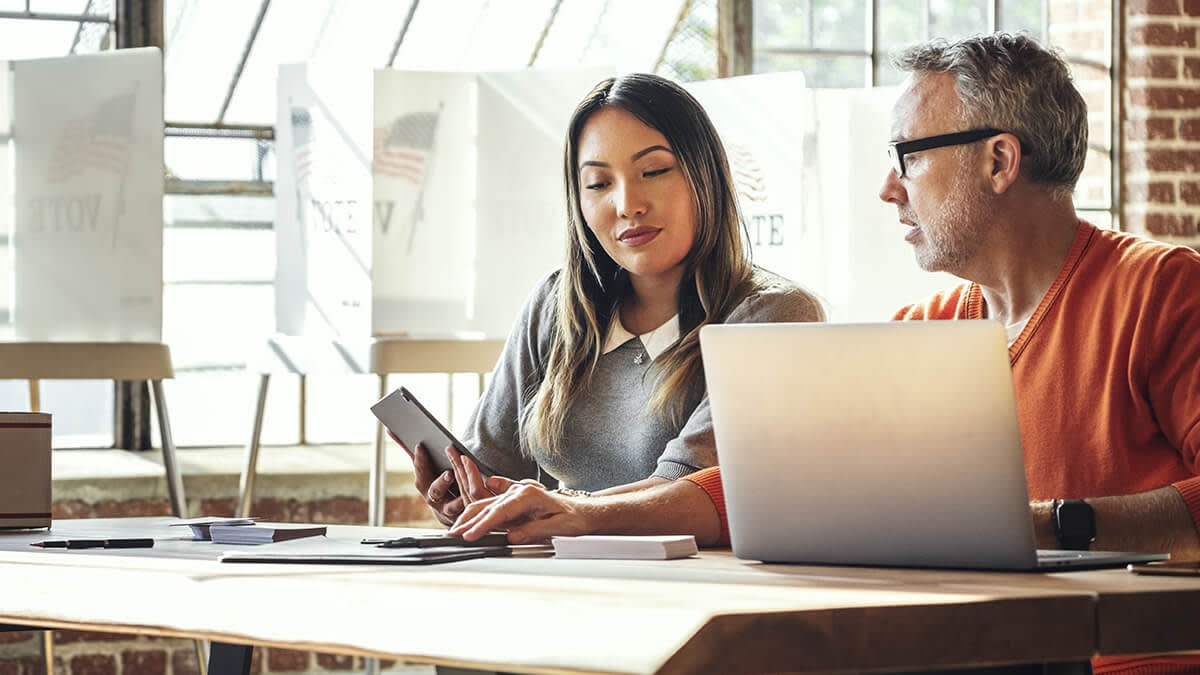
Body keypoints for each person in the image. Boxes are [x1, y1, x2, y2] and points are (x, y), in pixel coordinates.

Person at [450, 33, 1200, 673]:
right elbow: (756, 488)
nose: (887, 187)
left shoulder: (1162, 292)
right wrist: (577, 514)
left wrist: (1048, 525)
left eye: (907, 155)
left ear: (999, 162)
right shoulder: (921, 327)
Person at [401, 73, 824, 526]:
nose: (627, 204)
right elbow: (493, 467)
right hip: (561, 578)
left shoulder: (774, 315)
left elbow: (696, 492)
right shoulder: (554, 305)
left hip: (695, 584)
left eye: (654, 171)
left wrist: (571, 509)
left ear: (706, 176)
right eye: (599, 184)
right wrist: (466, 499)